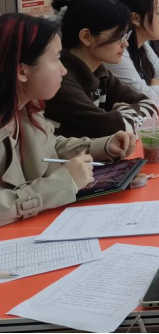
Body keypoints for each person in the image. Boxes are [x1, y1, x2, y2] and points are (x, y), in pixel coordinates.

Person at [0, 13, 137, 227]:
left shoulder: (26, 108)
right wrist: (61, 184)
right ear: (22, 71)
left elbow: (49, 146)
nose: (64, 70)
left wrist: (102, 146)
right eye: (56, 60)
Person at [44, 0, 158, 139]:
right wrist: (123, 112)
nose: (125, 44)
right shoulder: (61, 81)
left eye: (126, 35)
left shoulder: (99, 72)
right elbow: (110, 129)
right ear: (86, 37)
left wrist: (120, 115)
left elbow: (150, 106)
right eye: (118, 36)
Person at [104, 0, 159, 105]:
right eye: (158, 13)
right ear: (135, 18)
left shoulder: (143, 46)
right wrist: (157, 87)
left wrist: (154, 90)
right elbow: (147, 98)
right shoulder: (118, 51)